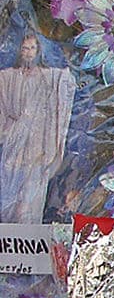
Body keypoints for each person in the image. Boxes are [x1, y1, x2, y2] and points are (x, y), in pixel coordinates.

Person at [0, 31, 75, 223]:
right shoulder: (9, 77)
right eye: (25, 48)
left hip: (38, 144)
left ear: (38, 51)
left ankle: (26, 229)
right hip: (14, 143)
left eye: (32, 48)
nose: (28, 52)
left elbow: (64, 81)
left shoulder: (46, 76)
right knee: (9, 189)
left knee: (31, 193)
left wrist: (69, 62)